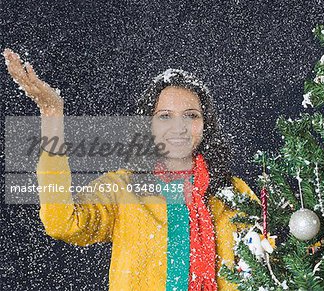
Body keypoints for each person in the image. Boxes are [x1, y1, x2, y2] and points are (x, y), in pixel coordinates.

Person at [3, 48, 260, 291]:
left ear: (206, 125)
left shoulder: (233, 192)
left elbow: (268, 268)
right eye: (165, 116)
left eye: (191, 115)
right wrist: (51, 115)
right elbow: (62, 222)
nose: (179, 127)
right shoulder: (122, 188)